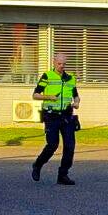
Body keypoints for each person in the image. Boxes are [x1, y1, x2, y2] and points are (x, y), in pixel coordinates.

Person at [31, 52, 80, 185]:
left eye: (64, 64)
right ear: (54, 63)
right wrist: (49, 97)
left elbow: (75, 95)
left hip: (67, 115)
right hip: (51, 115)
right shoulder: (47, 76)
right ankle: (38, 164)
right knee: (52, 144)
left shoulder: (71, 78)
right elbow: (35, 95)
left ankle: (63, 175)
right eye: (59, 63)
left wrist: (76, 102)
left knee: (70, 146)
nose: (61, 66)